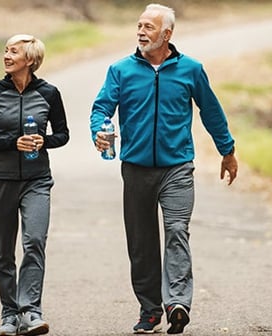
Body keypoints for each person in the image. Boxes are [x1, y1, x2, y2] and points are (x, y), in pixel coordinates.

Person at [90, 4, 238, 334]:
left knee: (176, 231)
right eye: (139, 25)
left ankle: (178, 304)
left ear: (167, 34)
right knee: (141, 243)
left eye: (148, 27)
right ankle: (150, 310)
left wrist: (227, 151)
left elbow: (210, 111)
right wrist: (99, 132)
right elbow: (101, 109)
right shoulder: (121, 70)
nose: (141, 31)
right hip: (136, 168)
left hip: (177, 168)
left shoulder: (191, 70)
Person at [0, 34, 69, 336]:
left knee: (34, 241)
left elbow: (63, 134)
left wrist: (44, 140)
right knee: (3, 252)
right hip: (0, 181)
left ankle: (30, 312)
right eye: (6, 51)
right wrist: (13, 143)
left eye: (14, 52)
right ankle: (9, 314)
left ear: (30, 59)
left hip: (37, 180)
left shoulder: (49, 93)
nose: (7, 55)